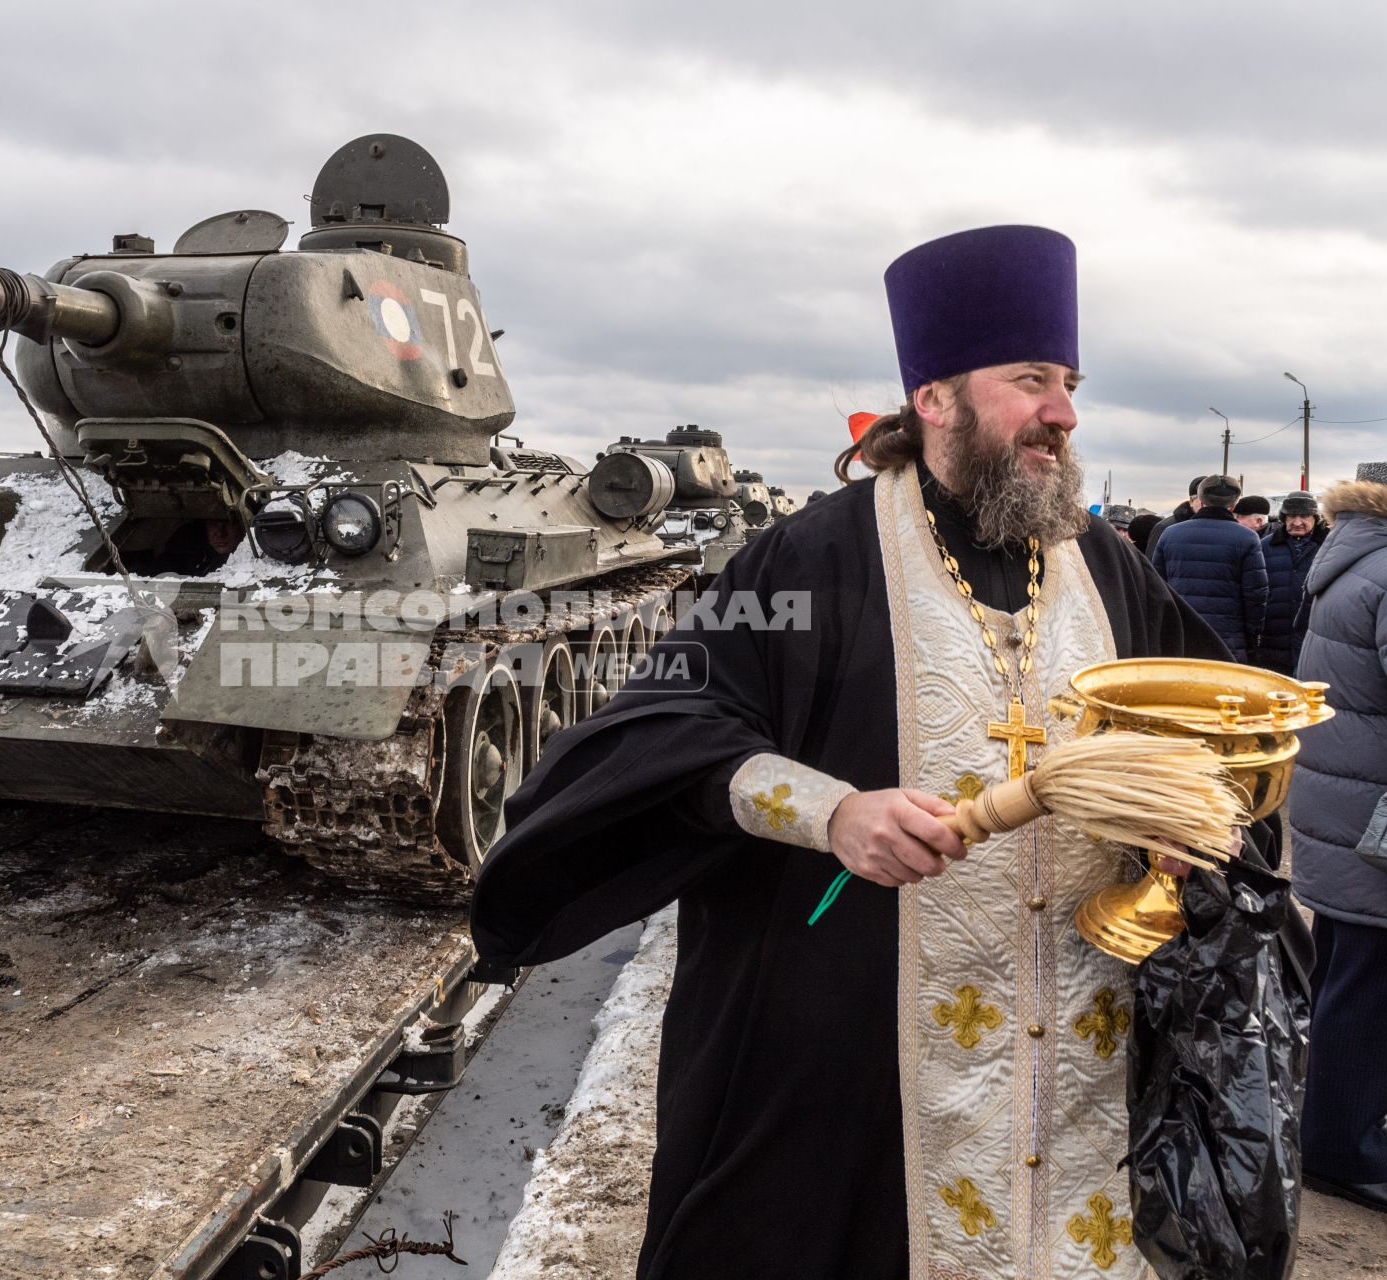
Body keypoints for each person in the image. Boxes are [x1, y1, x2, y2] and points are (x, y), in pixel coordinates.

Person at [471, 225, 1264, 1279]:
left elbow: (1212, 735)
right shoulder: (806, 555)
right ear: (935, 398)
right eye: (1032, 380)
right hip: (855, 1066)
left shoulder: (1109, 568)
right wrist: (830, 811)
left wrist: (1185, 828)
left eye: (1068, 383)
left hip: (1081, 1057)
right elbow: (658, 726)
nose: (1064, 413)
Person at [1288, 462, 1387, 1214]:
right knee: (1366, 987)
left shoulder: (1351, 554)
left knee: (1345, 977)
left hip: (1343, 800)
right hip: (1371, 812)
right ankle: (1341, 1152)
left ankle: (1329, 1126)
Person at [1151, 474, 1268, 661]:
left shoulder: (1171, 534)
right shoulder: (1247, 538)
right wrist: (1253, 637)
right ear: (1233, 505)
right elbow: (1255, 595)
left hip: (1181, 635)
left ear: (1201, 501)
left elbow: (1156, 587)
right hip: (1228, 639)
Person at [1253, 491, 1327, 674]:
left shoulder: (1329, 546)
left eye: (1304, 516)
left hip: (1314, 637)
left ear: (1315, 518)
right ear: (1283, 518)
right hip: (1273, 639)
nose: (1297, 522)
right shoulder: (1265, 546)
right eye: (1292, 516)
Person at [1143, 474, 1205, 559]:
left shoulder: (1219, 528)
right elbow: (1152, 565)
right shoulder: (1164, 527)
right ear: (1191, 500)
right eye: (1203, 499)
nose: (1208, 504)